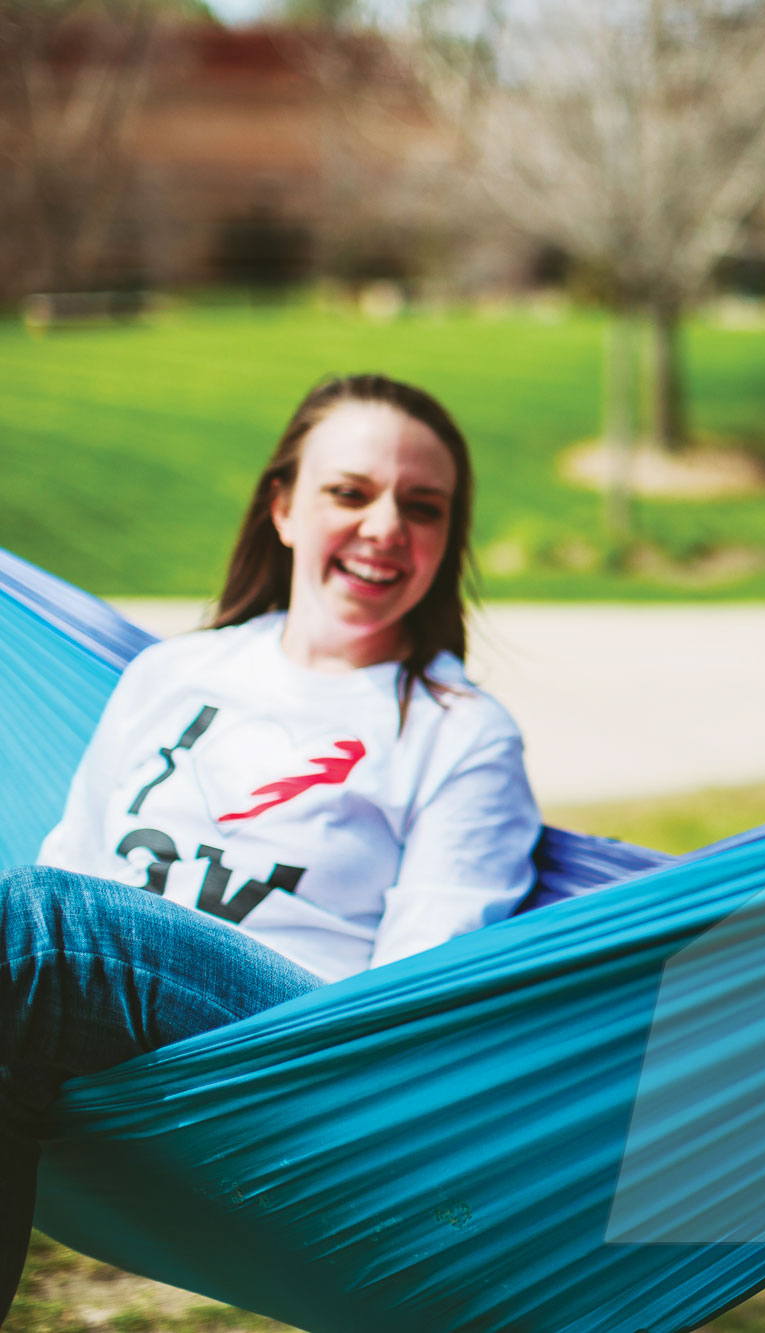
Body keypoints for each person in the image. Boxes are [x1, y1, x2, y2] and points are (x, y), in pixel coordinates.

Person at [1, 374, 541, 1313]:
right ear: (284, 507)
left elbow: (415, 1006)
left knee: (45, 927)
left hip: (294, 1062)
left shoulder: (460, 732)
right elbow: (71, 860)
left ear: (446, 541)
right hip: (84, 1030)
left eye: (424, 507)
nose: (386, 526)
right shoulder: (171, 674)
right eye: (350, 491)